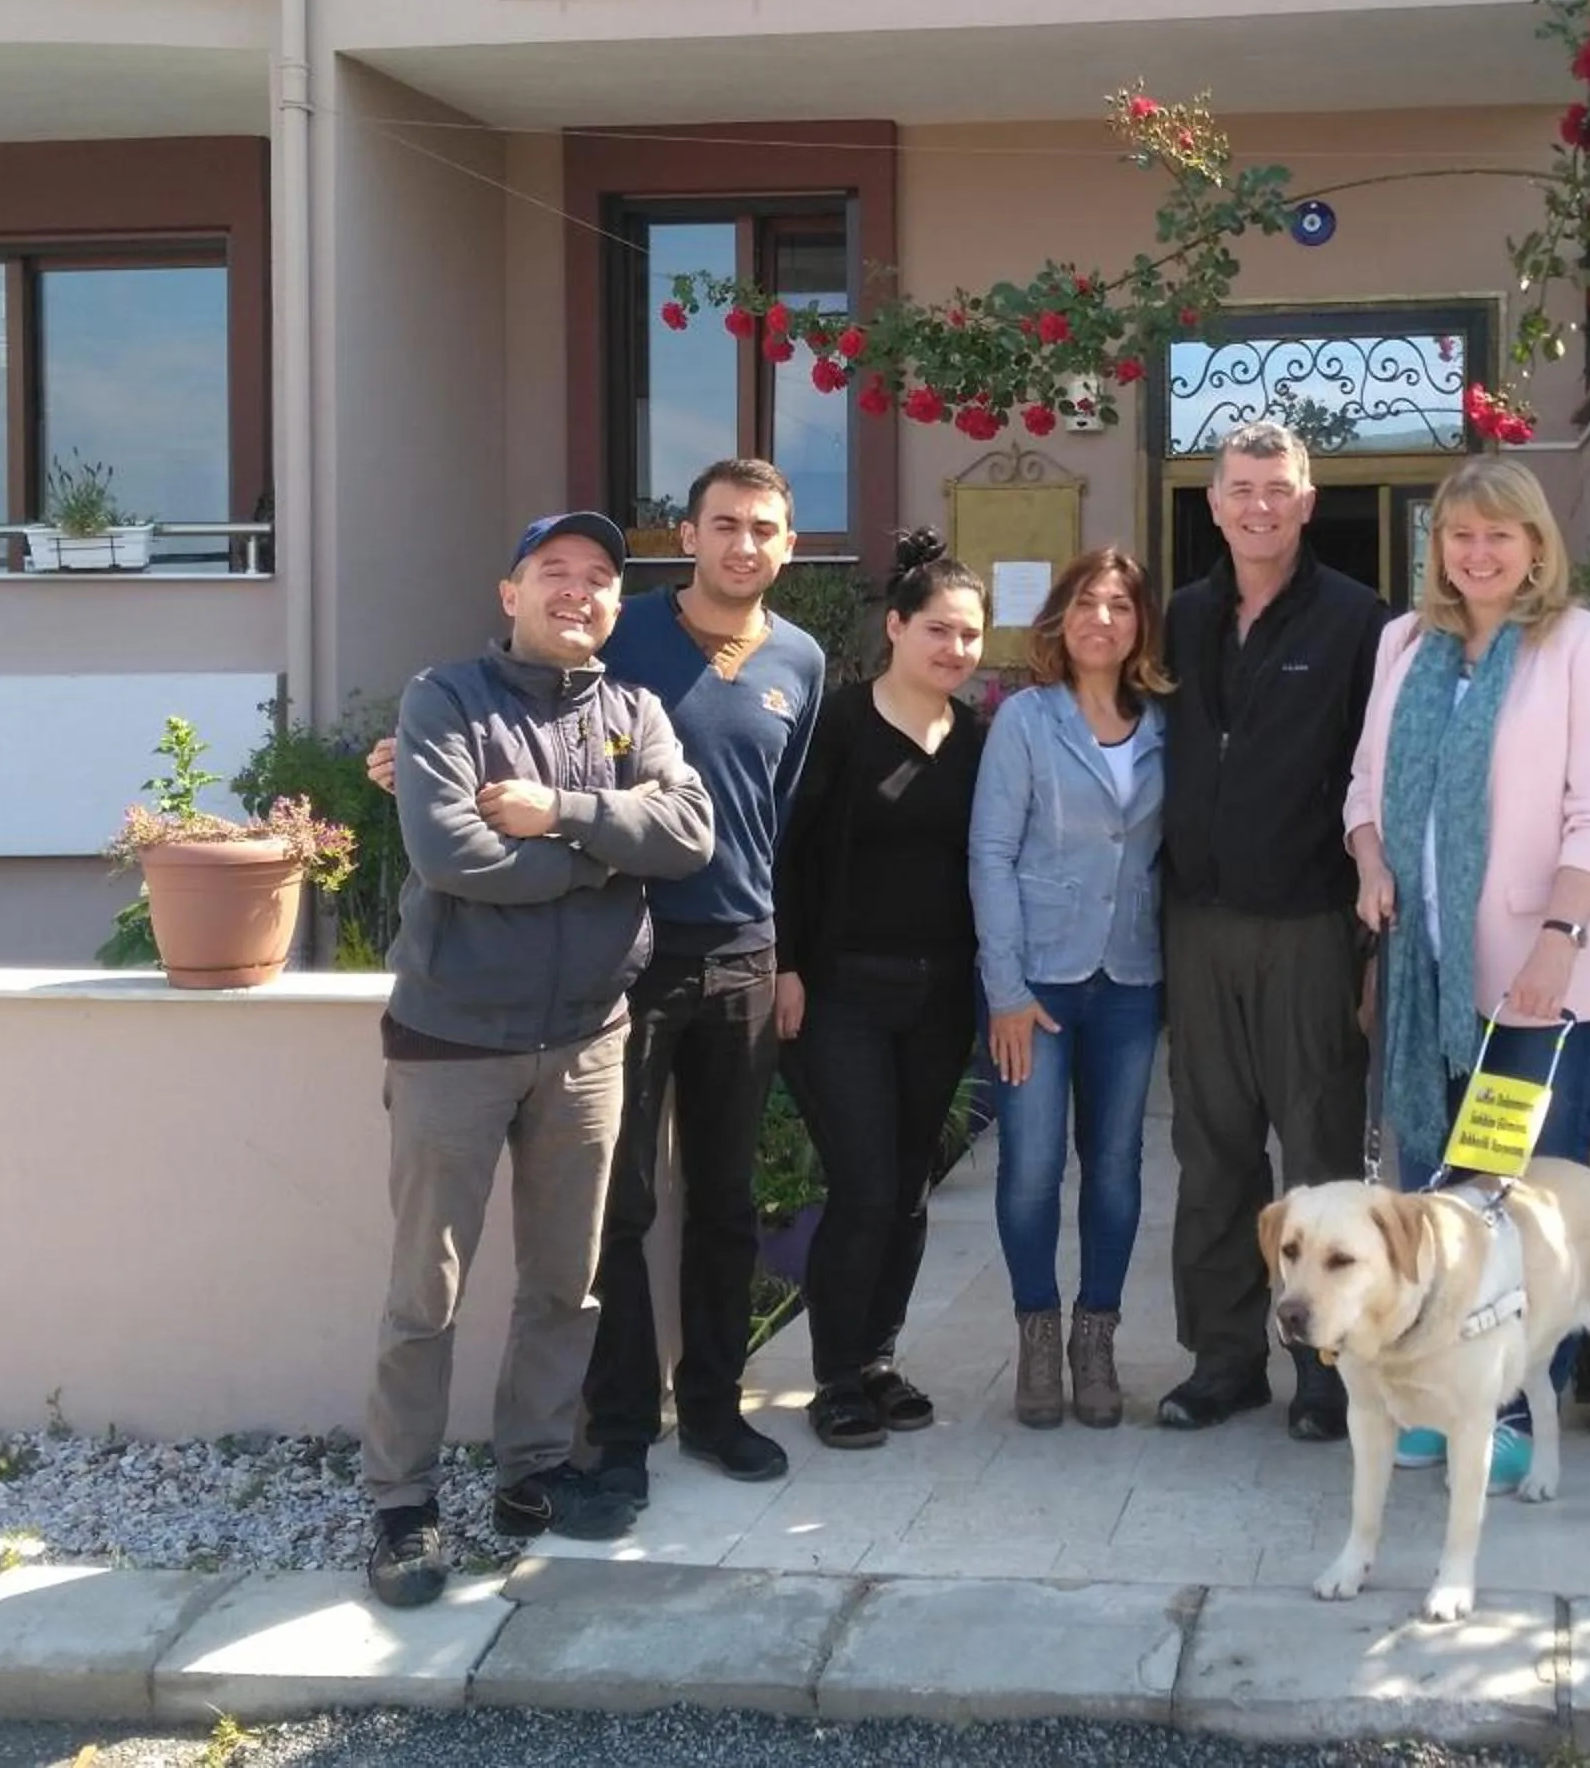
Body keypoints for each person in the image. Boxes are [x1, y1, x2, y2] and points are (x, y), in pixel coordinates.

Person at [370, 459, 825, 1509]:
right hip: (568, 986)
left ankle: (661, 1426)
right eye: (723, 524)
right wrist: (608, 858)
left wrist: (569, 824)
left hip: (700, 972)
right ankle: (548, 1450)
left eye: (764, 528)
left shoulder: (766, 670)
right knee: (546, 1243)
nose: (743, 543)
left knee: (682, 1219)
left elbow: (738, 823)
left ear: (785, 546)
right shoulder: (530, 673)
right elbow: (467, 817)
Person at [362, 509, 716, 1610]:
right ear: (508, 594)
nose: (579, 590)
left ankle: (530, 1470)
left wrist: (559, 813)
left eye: (600, 576)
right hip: (453, 1040)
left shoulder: (636, 708)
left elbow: (692, 832)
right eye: (553, 572)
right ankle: (402, 1503)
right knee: (430, 1286)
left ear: (617, 602)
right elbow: (453, 854)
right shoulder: (445, 699)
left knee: (567, 1282)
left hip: (587, 1043)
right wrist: (602, 860)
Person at [1342, 453, 1590, 1492]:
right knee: (1438, 1200)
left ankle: (1516, 1413)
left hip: (1538, 983)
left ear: (1536, 547)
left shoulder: (1581, 646)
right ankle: (1443, 1397)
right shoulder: (1403, 644)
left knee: (1523, 1210)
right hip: (1429, 975)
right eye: (1459, 535)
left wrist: (1559, 939)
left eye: (1498, 536)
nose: (1477, 553)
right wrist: (1372, 861)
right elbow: (1365, 785)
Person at [1155, 417, 1391, 1440]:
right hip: (1199, 924)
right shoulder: (1184, 615)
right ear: (1213, 503)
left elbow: (1376, 775)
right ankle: (1223, 1360)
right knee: (1211, 1153)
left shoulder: (1360, 620)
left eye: (1278, 488)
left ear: (1307, 500)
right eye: (1240, 488)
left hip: (1307, 925)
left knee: (1320, 1154)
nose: (1259, 504)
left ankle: (1329, 1370)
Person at [771, 535, 991, 1449]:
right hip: (840, 996)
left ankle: (879, 1359)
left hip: (939, 997)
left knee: (906, 1188)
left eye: (971, 635)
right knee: (862, 1184)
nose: (955, 649)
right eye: (938, 629)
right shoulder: (837, 725)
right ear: (895, 627)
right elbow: (782, 850)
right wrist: (784, 965)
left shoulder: (979, 740)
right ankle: (832, 1376)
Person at [966, 546, 1171, 1430]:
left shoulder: (1166, 722)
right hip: (1037, 982)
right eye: (1087, 603)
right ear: (1060, 618)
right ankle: (1038, 1336)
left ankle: (1098, 1337)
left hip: (1129, 977)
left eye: (1121, 606)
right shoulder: (1025, 720)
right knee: (1032, 1169)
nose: (1103, 620)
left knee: (1117, 1169)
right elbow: (991, 854)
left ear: (1140, 625)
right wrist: (1005, 990)